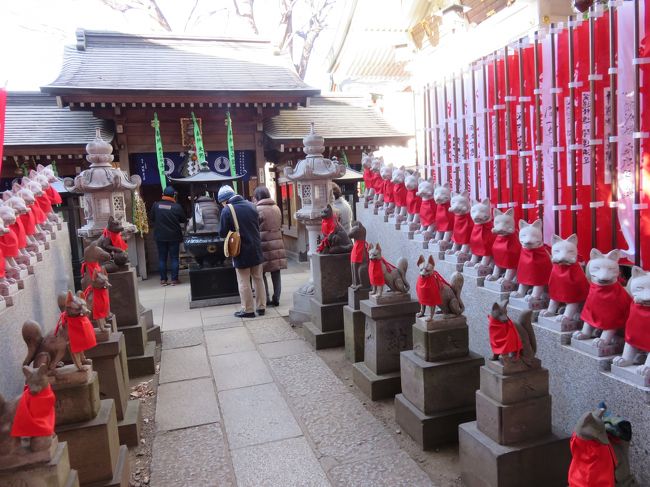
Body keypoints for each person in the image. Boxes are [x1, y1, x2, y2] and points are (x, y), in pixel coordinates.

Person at [218, 185, 266, 318]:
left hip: (241, 250)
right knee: (258, 278)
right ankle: (261, 307)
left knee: (244, 280)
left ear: (224, 200)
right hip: (256, 246)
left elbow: (222, 232)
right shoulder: (252, 205)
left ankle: (248, 310)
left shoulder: (227, 210)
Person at [253, 186, 287, 307]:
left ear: (257, 197)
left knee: (261, 272)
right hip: (277, 243)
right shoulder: (276, 207)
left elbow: (255, 227)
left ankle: (266, 298)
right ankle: (276, 298)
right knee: (276, 272)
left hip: (264, 244)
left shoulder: (257, 210)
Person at [150, 186, 187, 286]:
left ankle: (163, 280)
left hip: (160, 236)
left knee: (162, 258)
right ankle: (174, 280)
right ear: (173, 195)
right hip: (174, 236)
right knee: (174, 258)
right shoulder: (177, 207)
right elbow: (183, 219)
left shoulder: (156, 206)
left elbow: (152, 218)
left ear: (163, 194)